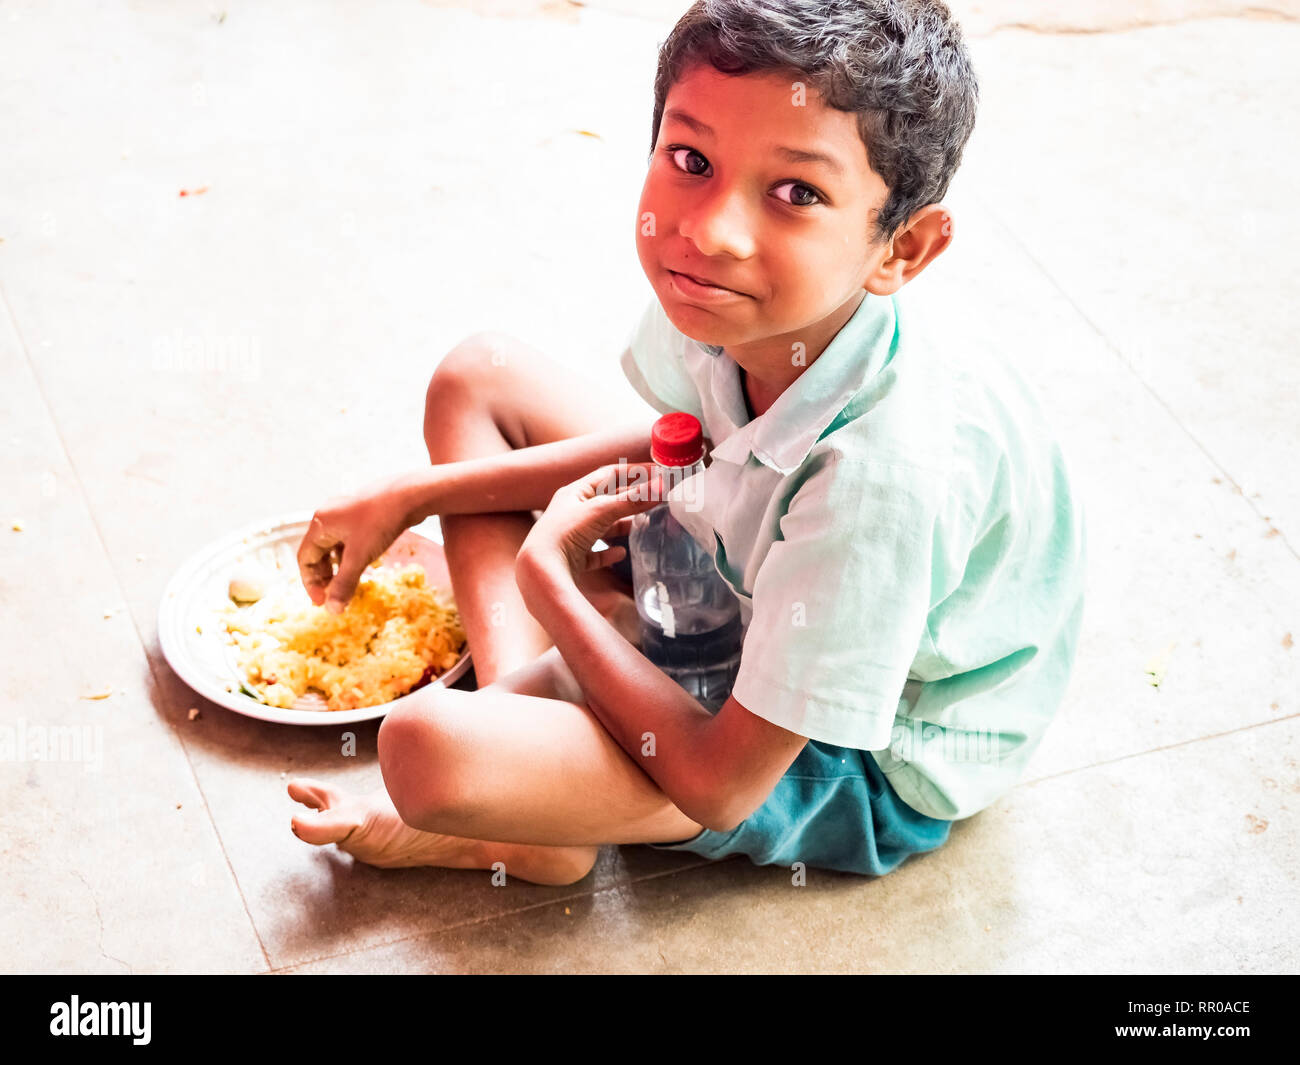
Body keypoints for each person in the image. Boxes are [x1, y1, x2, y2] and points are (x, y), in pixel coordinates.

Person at [287, 0, 1086, 885]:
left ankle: (525, 799)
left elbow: (721, 784)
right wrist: (414, 494)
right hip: (750, 577)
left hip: (852, 754)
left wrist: (551, 582)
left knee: (424, 750)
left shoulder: (881, 483)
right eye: (692, 159)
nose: (709, 232)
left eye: (797, 193)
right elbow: (685, 439)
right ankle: (534, 789)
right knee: (477, 378)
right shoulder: (741, 302)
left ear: (902, 248)